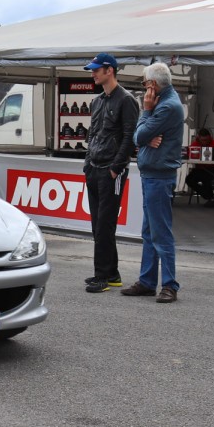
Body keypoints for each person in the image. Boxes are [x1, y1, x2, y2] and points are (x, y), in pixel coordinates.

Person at [120, 63, 184, 303]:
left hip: (158, 176)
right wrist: (145, 136)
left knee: (160, 232)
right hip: (153, 175)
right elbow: (143, 138)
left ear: (153, 85)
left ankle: (169, 285)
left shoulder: (165, 106)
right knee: (149, 232)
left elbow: (139, 136)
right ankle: (147, 281)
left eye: (145, 83)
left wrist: (146, 112)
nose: (145, 88)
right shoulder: (167, 102)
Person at [82, 53, 140, 293]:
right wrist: (88, 163)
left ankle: (102, 276)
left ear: (110, 70)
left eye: (96, 69)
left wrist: (116, 168)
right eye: (92, 70)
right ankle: (111, 273)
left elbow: (130, 137)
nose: (93, 73)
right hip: (94, 167)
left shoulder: (126, 100)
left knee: (105, 224)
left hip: (111, 170)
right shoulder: (97, 101)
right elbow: (92, 135)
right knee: (98, 224)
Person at [186, 128, 214, 206]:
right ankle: (209, 196)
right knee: (189, 180)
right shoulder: (194, 145)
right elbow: (188, 155)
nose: (204, 142)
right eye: (202, 140)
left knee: (206, 179)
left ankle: (210, 198)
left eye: (206, 140)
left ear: (209, 137)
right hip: (199, 169)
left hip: (212, 169)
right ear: (199, 138)